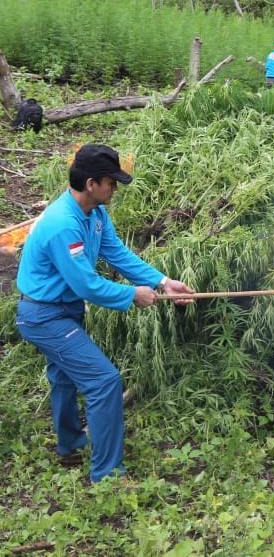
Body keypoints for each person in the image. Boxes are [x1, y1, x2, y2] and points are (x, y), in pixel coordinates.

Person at [15, 144, 194, 484]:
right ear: (91, 183)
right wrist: (132, 295)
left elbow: (117, 254)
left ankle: (70, 445)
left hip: (62, 310)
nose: (115, 188)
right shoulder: (63, 225)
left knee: (64, 378)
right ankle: (108, 475)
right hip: (43, 316)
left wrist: (163, 281)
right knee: (104, 381)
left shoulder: (95, 213)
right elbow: (87, 285)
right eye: (111, 182)